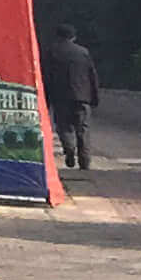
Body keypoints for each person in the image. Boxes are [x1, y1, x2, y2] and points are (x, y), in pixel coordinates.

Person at [40, 24, 99, 173]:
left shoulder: (51, 52)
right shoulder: (83, 52)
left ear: (58, 36)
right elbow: (92, 76)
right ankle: (84, 160)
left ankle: (69, 149)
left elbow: (46, 77)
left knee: (64, 127)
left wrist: (45, 100)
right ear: (73, 37)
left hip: (60, 97)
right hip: (82, 97)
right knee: (83, 128)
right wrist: (94, 97)